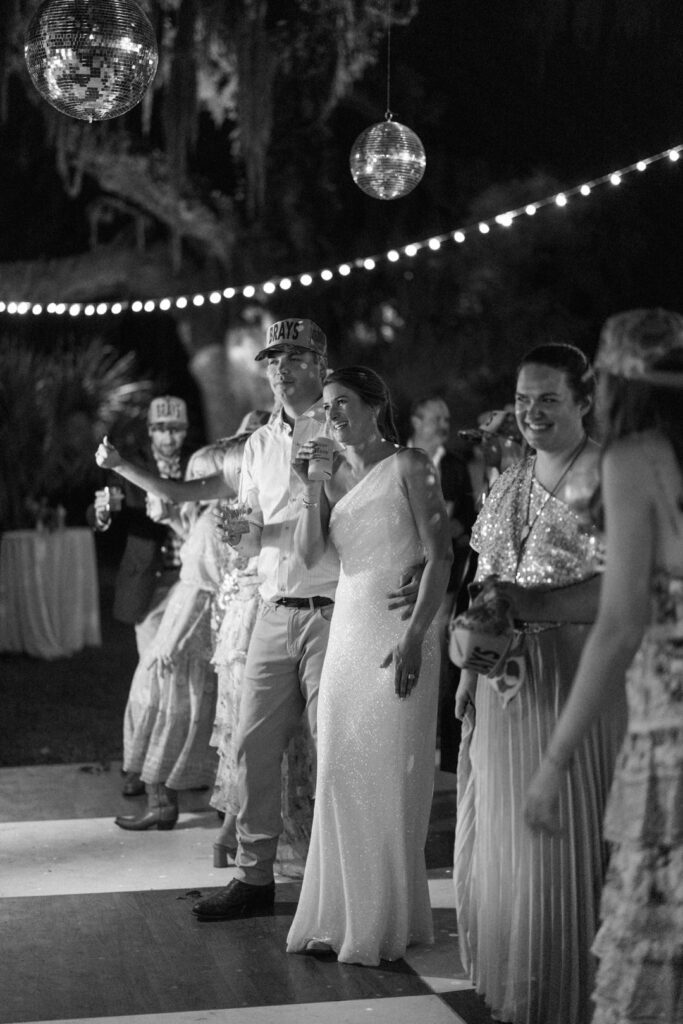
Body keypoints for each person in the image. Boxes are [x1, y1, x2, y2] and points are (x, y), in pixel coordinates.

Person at [178, 320, 419, 923]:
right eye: (272, 359)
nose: (280, 369)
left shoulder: (343, 427)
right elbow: (253, 530)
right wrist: (242, 540)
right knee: (250, 748)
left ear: (320, 362)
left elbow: (388, 501)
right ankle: (254, 878)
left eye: (294, 357)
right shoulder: (257, 443)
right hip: (271, 606)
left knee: (333, 744)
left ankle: (340, 882)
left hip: (337, 610)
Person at [453, 343, 626, 1024]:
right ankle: (523, 985)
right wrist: (468, 654)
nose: (530, 412)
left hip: (581, 676)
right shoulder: (509, 478)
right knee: (508, 834)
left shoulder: (611, 477)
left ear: (584, 401)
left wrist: (528, 608)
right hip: (504, 687)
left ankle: (573, 995)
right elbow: (483, 578)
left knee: (561, 837)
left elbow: (625, 590)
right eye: (522, 399)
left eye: (548, 398)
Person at [525, 310, 683, 1024]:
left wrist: (554, 762)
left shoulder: (635, 459)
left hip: (670, 740)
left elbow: (618, 625)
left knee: (656, 945)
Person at [285, 366, 453, 965]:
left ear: (376, 405)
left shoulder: (410, 466)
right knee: (334, 767)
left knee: (387, 772)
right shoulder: (331, 476)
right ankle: (336, 916)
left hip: (401, 633)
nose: (334, 416)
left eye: (344, 403)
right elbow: (309, 554)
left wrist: (414, 637)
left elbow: (442, 555)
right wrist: (312, 483)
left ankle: (383, 923)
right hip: (348, 632)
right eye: (327, 407)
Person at [113, 441, 231, 831]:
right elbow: (198, 548)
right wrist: (173, 521)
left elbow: (205, 580)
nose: (194, 483)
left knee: (165, 705)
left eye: (202, 476)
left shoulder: (220, 516)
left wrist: (173, 641)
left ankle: (163, 802)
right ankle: (171, 801)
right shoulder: (217, 513)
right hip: (186, 614)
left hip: (188, 620)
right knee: (176, 707)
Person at [89, 395, 191, 797]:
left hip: (192, 581)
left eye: (176, 428)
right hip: (149, 584)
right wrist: (101, 515)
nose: (169, 436)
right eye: (161, 428)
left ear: (185, 430)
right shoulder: (130, 466)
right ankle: (138, 765)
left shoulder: (198, 464)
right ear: (150, 431)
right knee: (150, 675)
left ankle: (181, 766)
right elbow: (105, 510)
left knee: (190, 677)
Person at [407, 394, 476, 773]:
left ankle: (447, 757)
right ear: (417, 420)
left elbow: (465, 520)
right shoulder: (399, 461)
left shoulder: (454, 466)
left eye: (447, 418)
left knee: (443, 664)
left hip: (445, 581)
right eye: (437, 418)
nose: (444, 425)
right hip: (401, 576)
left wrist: (446, 528)